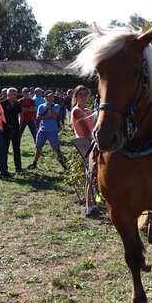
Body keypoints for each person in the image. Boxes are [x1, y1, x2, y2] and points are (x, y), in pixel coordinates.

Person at [71, 85, 99, 218]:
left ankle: (95, 202)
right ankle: (89, 208)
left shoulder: (88, 111)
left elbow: (94, 128)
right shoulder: (77, 111)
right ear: (75, 96)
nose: (83, 97)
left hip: (92, 143)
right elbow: (88, 131)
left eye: (85, 94)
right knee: (89, 176)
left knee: (94, 175)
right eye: (80, 94)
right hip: (85, 146)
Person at [27, 90, 67, 171]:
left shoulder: (56, 106)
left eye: (52, 97)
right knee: (38, 147)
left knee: (57, 149)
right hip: (42, 131)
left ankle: (62, 164)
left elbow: (55, 116)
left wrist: (49, 108)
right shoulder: (41, 106)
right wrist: (48, 116)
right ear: (45, 97)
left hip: (52, 131)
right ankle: (34, 163)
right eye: (49, 96)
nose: (51, 98)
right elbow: (38, 117)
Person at [1, 87, 23, 173]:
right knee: (5, 149)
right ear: (7, 95)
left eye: (15, 95)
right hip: (5, 129)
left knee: (16, 148)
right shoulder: (2, 104)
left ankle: (18, 167)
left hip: (16, 129)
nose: (13, 96)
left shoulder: (17, 104)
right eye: (12, 94)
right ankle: (4, 167)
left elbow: (21, 114)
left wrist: (20, 124)